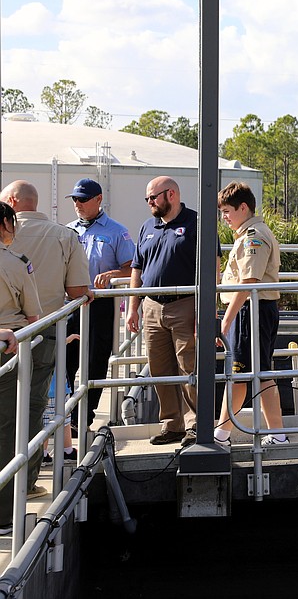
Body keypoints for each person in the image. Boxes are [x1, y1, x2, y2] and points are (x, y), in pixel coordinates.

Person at [1, 182, 89, 481]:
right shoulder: (65, 235)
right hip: (44, 332)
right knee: (34, 406)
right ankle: (26, 480)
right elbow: (77, 290)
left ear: (12, 201)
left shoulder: (11, 239)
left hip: (5, 336)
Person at [212, 182, 287, 447]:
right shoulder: (250, 233)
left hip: (250, 310)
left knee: (240, 374)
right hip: (253, 309)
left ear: (243, 207)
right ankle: (277, 434)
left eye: (227, 211)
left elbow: (249, 281)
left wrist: (226, 320)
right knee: (260, 373)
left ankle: (221, 435)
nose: (224, 217)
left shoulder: (253, 235)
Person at [127, 176, 199, 446]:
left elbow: (212, 267)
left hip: (186, 304)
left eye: (153, 197)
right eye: (147, 198)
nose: (149, 203)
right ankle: (172, 425)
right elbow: (137, 268)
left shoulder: (196, 223)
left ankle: (196, 425)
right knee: (160, 369)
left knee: (189, 367)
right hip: (152, 306)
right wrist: (133, 307)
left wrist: (206, 311)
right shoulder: (148, 226)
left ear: (171, 194)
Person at [65, 178, 135, 426]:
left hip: (101, 305)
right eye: (75, 199)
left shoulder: (117, 232)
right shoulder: (68, 230)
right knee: (66, 360)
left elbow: (133, 268)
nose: (78, 204)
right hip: (71, 305)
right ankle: (65, 415)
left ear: (98, 200)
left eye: (83, 199)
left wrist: (113, 274)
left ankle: (83, 417)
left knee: (95, 361)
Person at [0, 202, 43, 536]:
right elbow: (33, 317)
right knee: (6, 430)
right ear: (5, 224)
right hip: (8, 350)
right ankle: (3, 515)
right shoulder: (15, 263)